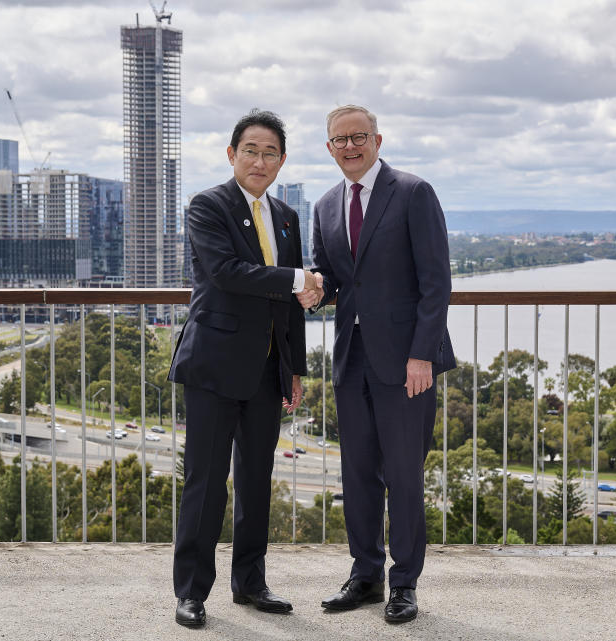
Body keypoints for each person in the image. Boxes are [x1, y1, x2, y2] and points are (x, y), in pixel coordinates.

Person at [168, 109, 322, 628]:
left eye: (271, 152)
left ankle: (250, 583)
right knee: (207, 484)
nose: (260, 160)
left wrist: (295, 368)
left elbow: (291, 301)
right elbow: (228, 273)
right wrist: (298, 275)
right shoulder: (207, 205)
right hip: (214, 367)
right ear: (232, 154)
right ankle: (191, 592)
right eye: (250, 150)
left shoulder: (286, 216)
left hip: (267, 369)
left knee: (257, 481)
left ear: (282, 160)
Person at [301, 104, 455, 624]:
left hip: (407, 363)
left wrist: (422, 355)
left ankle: (404, 583)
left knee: (404, 476)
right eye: (340, 139)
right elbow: (334, 280)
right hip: (352, 359)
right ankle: (364, 575)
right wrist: (311, 289)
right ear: (329, 148)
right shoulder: (324, 206)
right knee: (359, 473)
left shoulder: (413, 192)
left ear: (378, 139)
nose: (350, 146)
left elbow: (436, 284)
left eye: (359, 136)